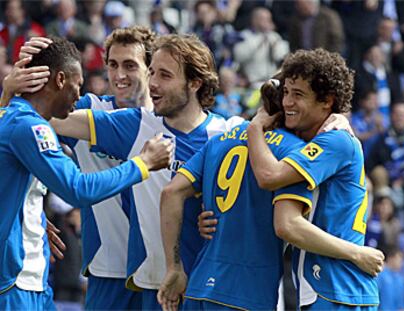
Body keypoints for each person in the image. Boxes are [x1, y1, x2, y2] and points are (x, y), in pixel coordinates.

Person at [47, 34, 244, 310]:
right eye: (152, 72)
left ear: (195, 83)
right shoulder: (136, 125)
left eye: (164, 75)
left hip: (207, 286)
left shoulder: (227, 133)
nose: (153, 83)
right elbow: (44, 120)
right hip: (153, 283)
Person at [157, 78, 384, 310]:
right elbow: (287, 224)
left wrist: (174, 266)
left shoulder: (219, 142)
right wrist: (356, 253)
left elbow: (171, 193)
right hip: (248, 292)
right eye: (288, 93)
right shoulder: (293, 152)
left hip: (200, 283)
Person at [0, 36, 173, 310]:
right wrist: (9, 93)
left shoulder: (177, 122)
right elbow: (76, 186)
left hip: (159, 268)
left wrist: (27, 210)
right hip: (105, 267)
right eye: (112, 65)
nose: (119, 75)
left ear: (150, 71)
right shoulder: (87, 112)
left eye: (129, 65)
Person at [247, 48, 381, 309]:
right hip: (327, 287)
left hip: (339, 288)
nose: (287, 103)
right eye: (285, 92)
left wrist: (254, 127)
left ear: (327, 101)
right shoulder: (314, 141)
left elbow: (268, 176)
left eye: (298, 94)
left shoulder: (335, 141)